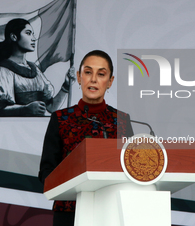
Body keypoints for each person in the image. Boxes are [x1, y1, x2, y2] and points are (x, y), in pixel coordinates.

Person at [38, 50, 134, 226]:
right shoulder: (60, 119)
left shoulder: (121, 121)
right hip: (69, 213)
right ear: (79, 77)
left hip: (112, 211)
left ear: (110, 82)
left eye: (101, 74)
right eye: (88, 72)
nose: (93, 79)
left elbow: (132, 170)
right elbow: (46, 172)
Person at [0, 18, 74, 116]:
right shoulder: (2, 70)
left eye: (32, 34)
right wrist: (24, 109)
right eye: (28, 33)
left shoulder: (35, 70)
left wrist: (66, 86)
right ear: (14, 36)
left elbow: (50, 108)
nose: (33, 38)